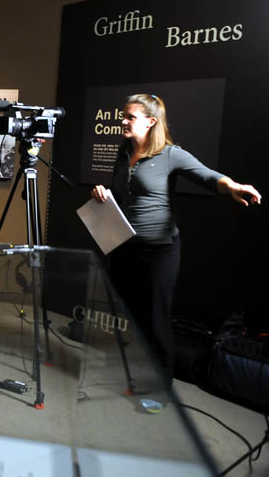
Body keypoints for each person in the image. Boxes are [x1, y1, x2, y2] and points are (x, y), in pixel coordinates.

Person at [91, 94, 261, 386]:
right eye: (124, 115)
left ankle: (159, 389)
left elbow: (209, 177)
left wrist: (232, 186)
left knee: (156, 322)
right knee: (129, 318)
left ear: (151, 121)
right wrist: (102, 193)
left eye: (130, 116)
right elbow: (122, 194)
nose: (123, 120)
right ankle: (130, 373)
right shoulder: (123, 152)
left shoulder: (170, 155)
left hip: (159, 252)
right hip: (125, 248)